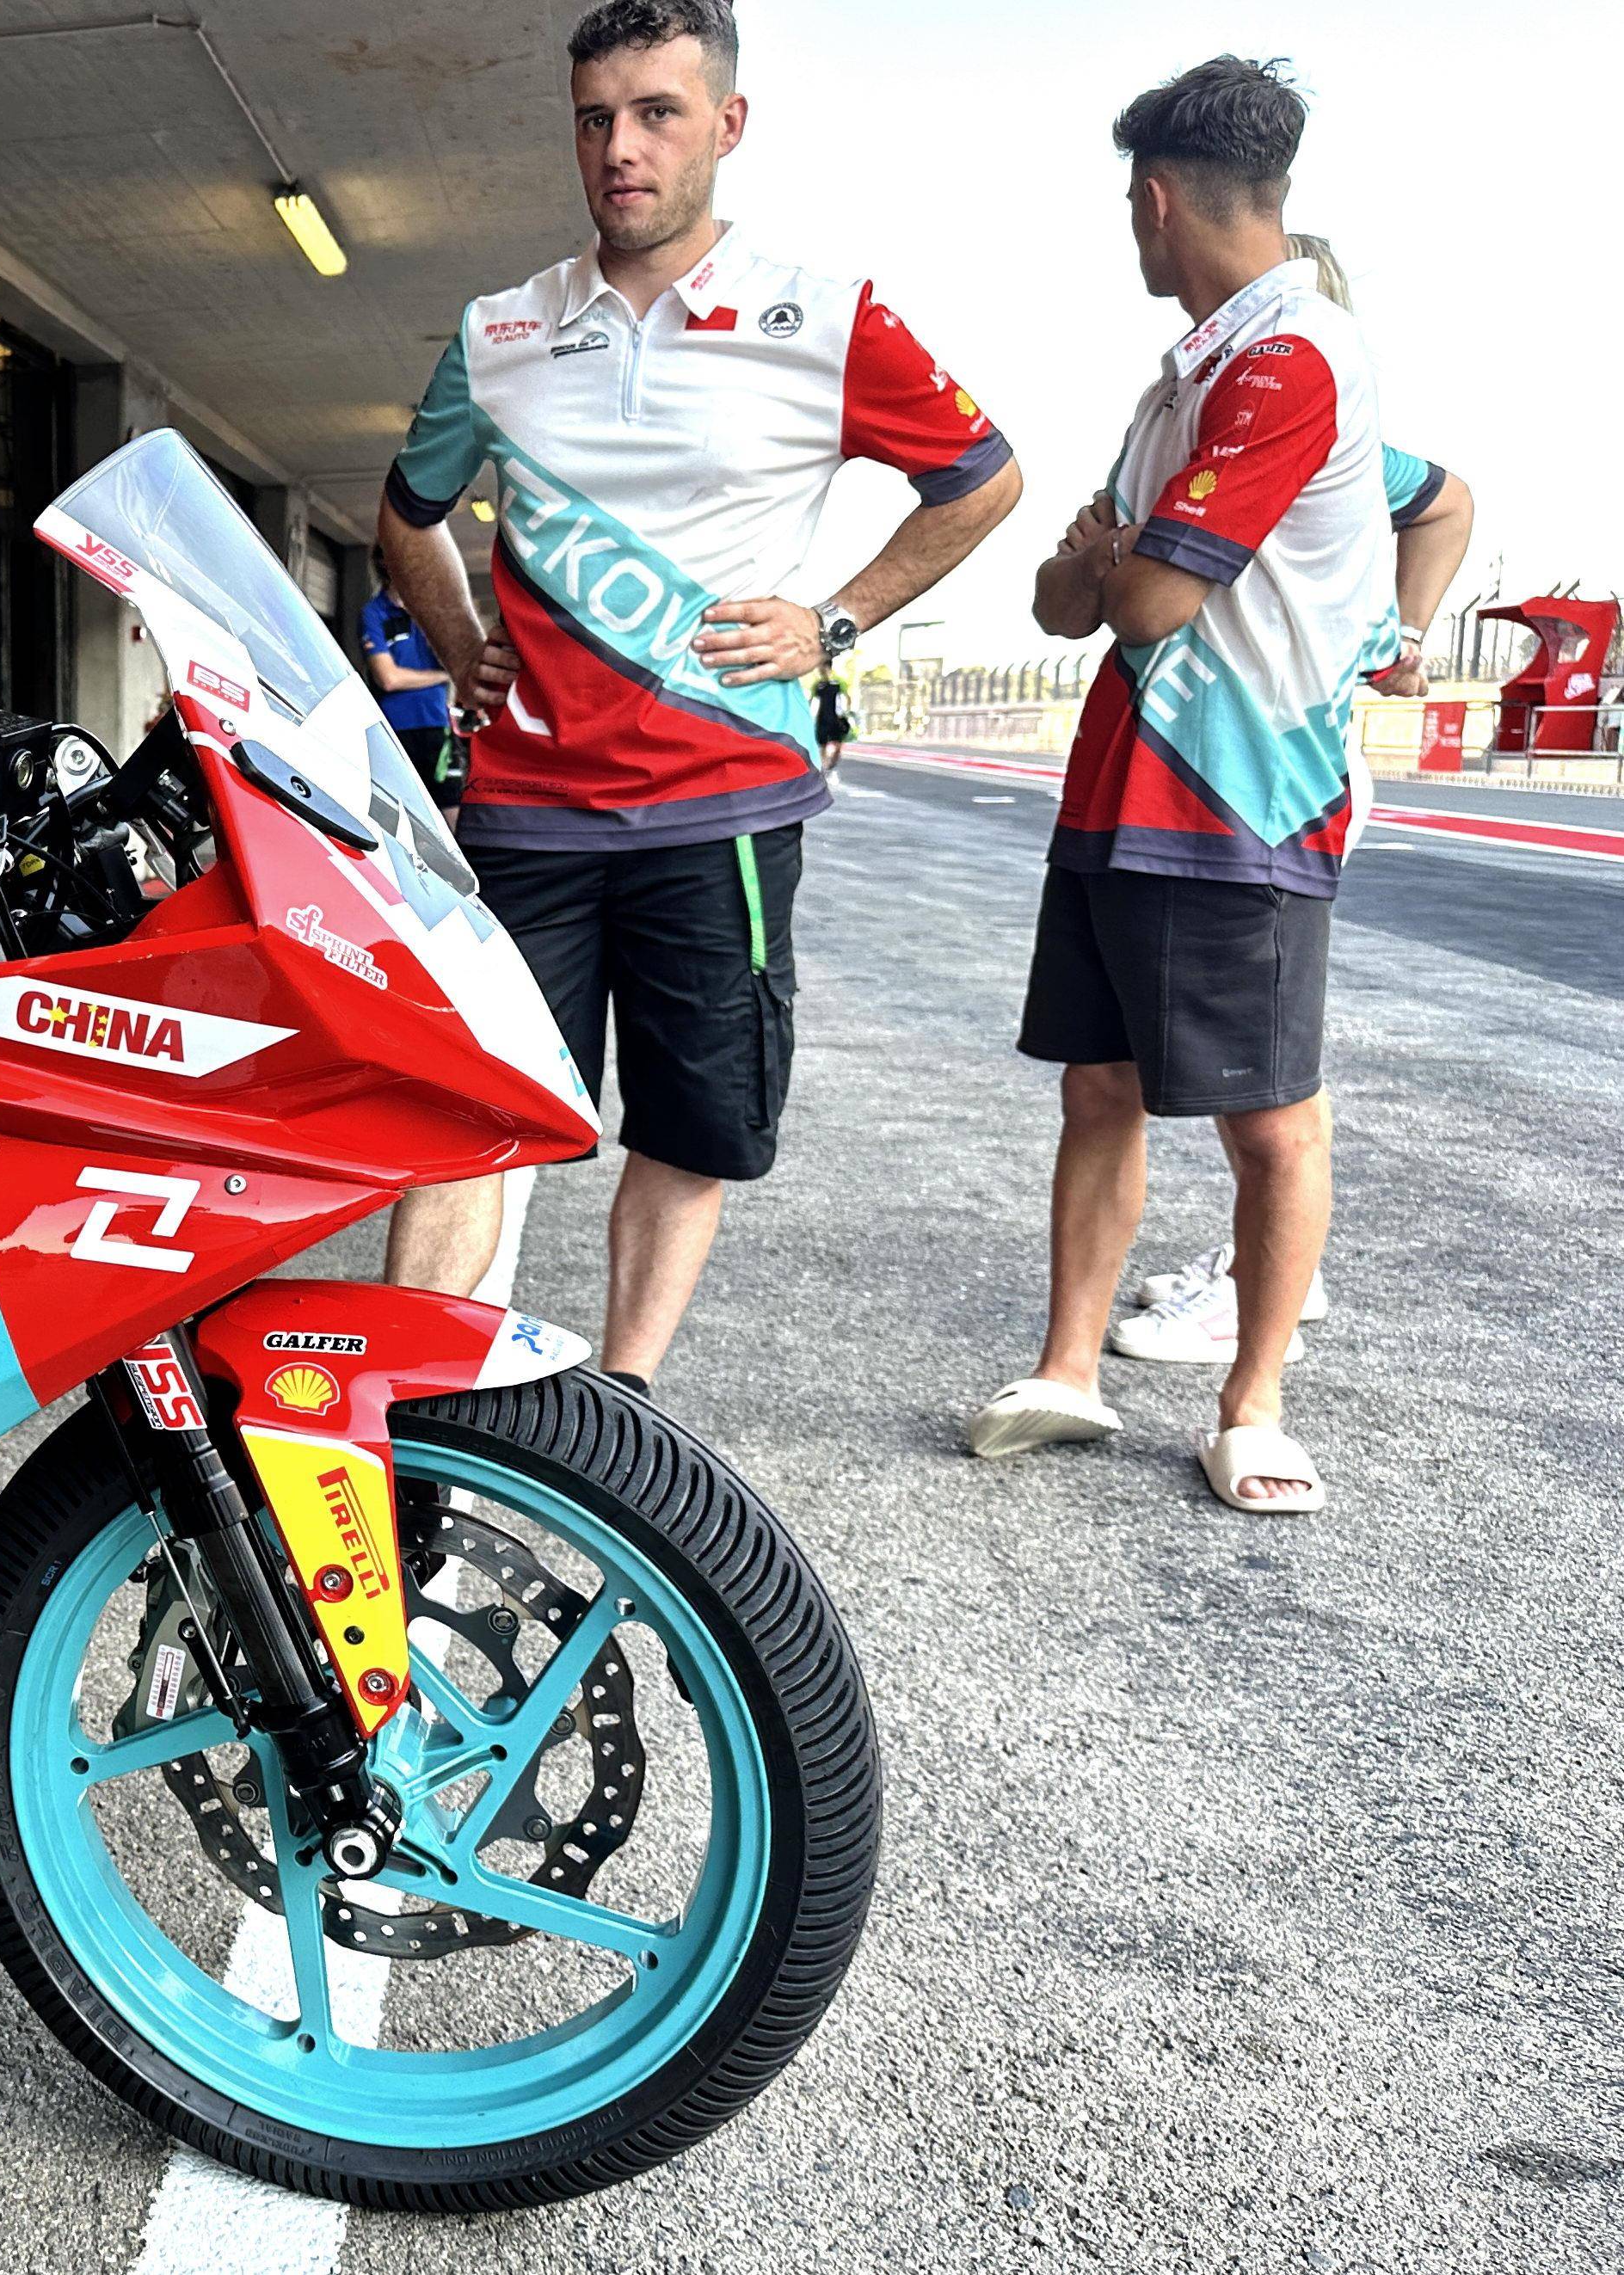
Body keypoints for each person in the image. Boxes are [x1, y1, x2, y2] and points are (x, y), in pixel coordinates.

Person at [371, 0, 1021, 1391]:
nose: (620, 148)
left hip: (721, 809)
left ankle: (624, 1411)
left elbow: (981, 482)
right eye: (594, 119)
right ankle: (407, 1425)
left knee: (686, 1131)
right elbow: (404, 515)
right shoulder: (496, 331)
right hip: (524, 812)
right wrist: (461, 638)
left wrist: (833, 621)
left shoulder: (825, 317)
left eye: (656, 114)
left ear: (726, 125)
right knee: (470, 1121)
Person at [965, 59, 1396, 1516]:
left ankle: (1251, 1403)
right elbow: (1059, 600)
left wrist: (1116, 565)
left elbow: (1140, 599)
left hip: (1241, 798)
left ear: (1153, 202)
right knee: (1097, 1087)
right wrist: (1106, 566)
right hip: (1118, 788)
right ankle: (1065, 1370)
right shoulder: (1185, 377)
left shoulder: (1292, 358)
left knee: (1270, 1118)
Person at [1105, 230, 1474, 1363]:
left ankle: (1265, 1290)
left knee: (1262, 1067)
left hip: (1267, 778)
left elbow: (1449, 502)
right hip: (1219, 764)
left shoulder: (1319, 424)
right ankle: (1263, 1266)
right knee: (1244, 1057)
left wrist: (1406, 636)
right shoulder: (1205, 415)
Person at [360, 572, 461, 815]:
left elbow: (460, 663)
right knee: (397, 812)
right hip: (395, 730)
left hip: (438, 724)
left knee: (452, 808)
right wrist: (443, 676)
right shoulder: (374, 612)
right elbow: (389, 679)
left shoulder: (433, 613)